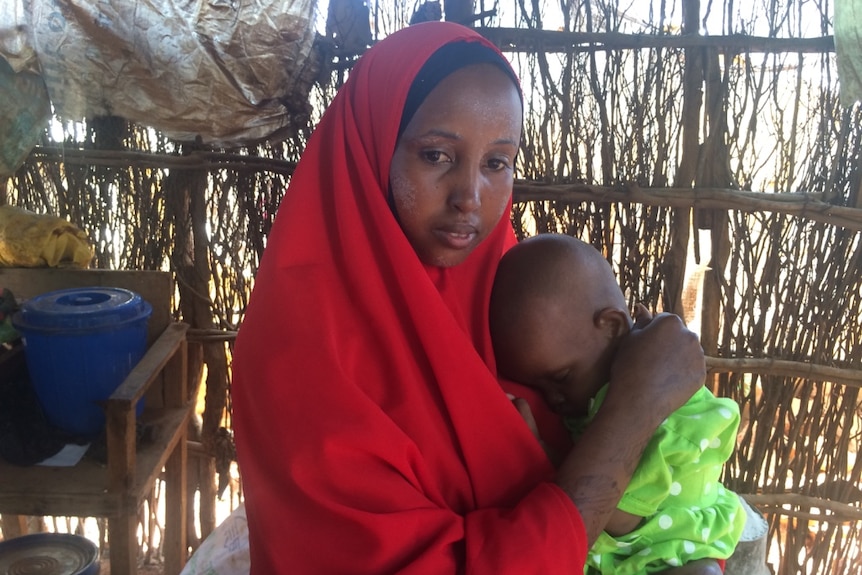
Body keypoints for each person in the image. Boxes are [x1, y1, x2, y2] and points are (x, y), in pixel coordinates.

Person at [232, 21, 706, 574]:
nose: (470, 198)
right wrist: (634, 410)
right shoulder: (303, 363)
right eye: (436, 155)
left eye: (496, 162)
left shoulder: (497, 290)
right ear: (372, 147)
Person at [489, 233, 746, 575]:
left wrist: (539, 451)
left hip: (675, 552)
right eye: (537, 387)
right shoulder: (592, 393)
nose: (553, 399)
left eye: (561, 378)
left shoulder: (669, 408)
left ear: (611, 326)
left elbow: (622, 515)